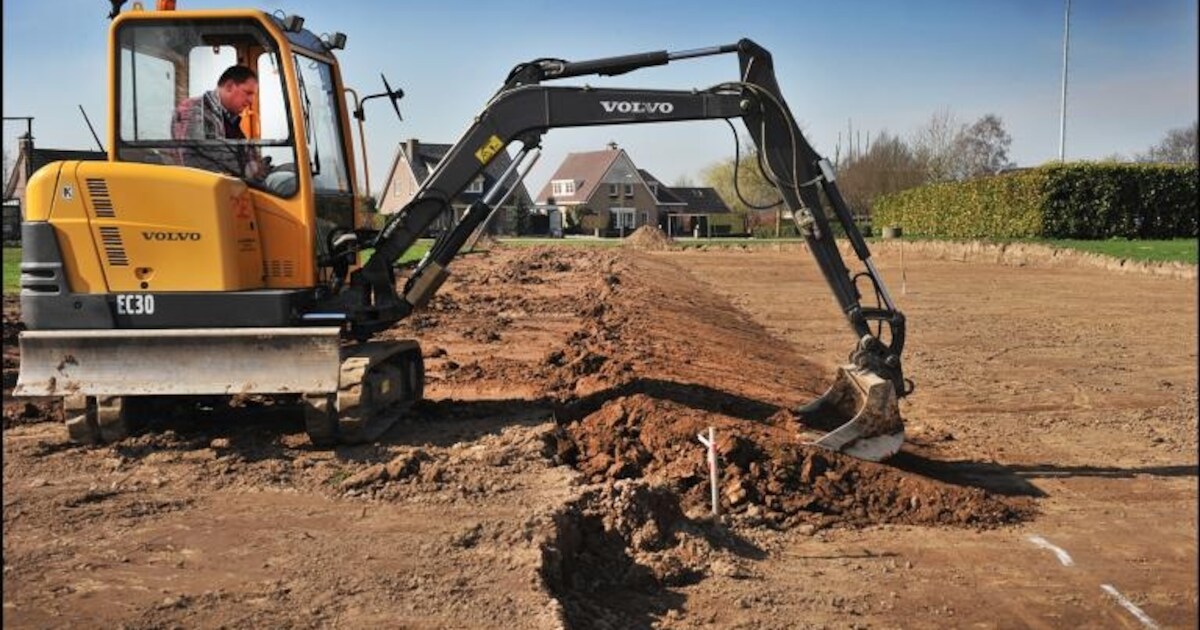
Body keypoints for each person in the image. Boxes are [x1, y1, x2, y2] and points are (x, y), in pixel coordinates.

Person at [172, 64, 266, 180]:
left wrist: (258, 165)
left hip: (231, 182)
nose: (251, 100)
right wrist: (252, 169)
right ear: (229, 86)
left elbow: (244, 151)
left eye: (253, 95)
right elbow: (203, 155)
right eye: (248, 93)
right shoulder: (192, 109)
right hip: (201, 185)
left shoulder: (230, 118)